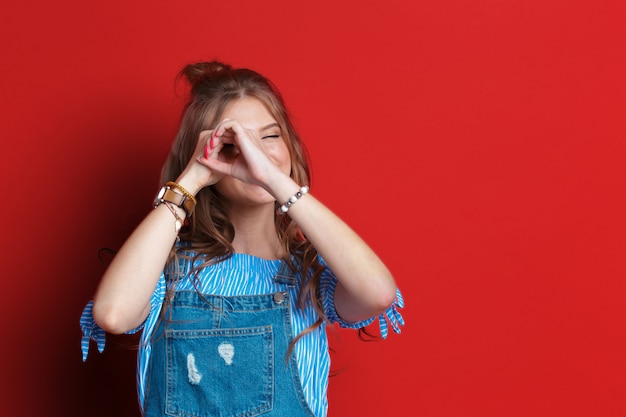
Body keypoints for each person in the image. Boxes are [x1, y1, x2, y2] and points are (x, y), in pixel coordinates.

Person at [80, 61, 404, 417]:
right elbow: (113, 314)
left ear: (291, 147)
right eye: (235, 144)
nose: (255, 154)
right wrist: (190, 180)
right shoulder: (166, 268)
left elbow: (377, 293)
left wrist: (275, 178)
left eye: (269, 136)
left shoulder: (309, 276)